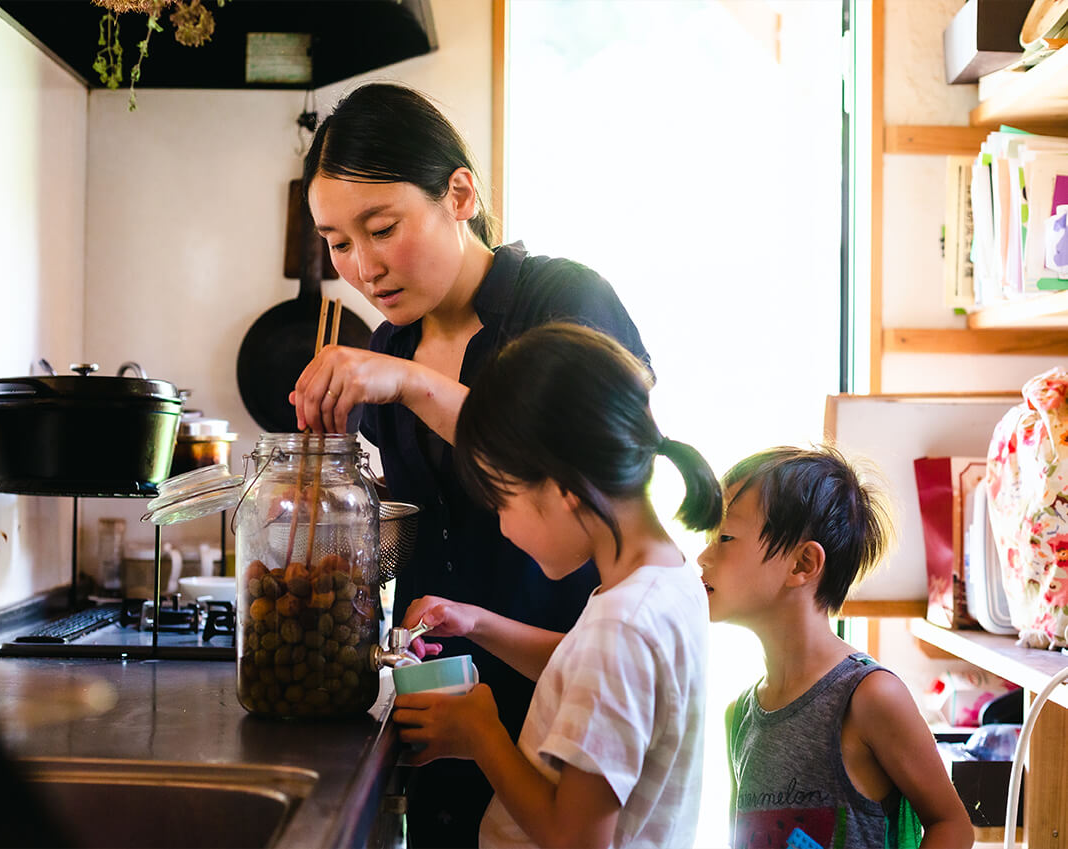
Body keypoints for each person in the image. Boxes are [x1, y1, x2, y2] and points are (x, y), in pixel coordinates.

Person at [290, 83, 650, 846]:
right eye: (338, 241)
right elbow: (437, 510)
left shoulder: (563, 298)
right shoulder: (390, 346)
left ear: (460, 193)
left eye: (381, 227)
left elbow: (584, 467)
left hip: (569, 686)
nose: (362, 266)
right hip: (441, 693)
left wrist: (414, 384)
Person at [391, 323, 721, 849]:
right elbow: (583, 668)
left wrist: (483, 734)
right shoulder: (663, 578)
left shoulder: (623, 627)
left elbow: (575, 841)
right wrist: (478, 624)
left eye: (502, 502)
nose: (502, 525)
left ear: (564, 490)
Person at [697, 446, 975, 849]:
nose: (703, 556)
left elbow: (951, 825)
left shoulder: (869, 697)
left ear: (803, 564)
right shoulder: (739, 715)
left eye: (724, 537)